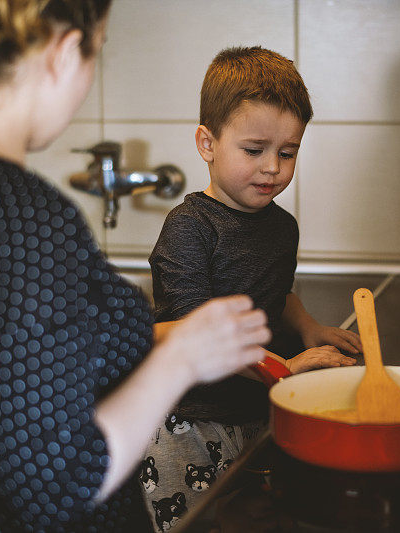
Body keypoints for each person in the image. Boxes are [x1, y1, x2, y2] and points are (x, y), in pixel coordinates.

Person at [0, 2, 271, 531]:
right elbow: (60, 483)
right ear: (61, 53)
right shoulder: (27, 225)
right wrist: (184, 360)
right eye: (95, 52)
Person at [143, 46, 362, 527]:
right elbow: (196, 334)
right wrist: (283, 366)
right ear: (208, 144)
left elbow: (274, 294)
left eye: (288, 153)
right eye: (254, 150)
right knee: (190, 523)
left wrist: (307, 327)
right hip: (191, 422)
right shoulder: (190, 228)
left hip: (255, 409)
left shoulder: (281, 227)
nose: (272, 168)